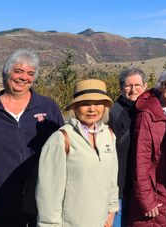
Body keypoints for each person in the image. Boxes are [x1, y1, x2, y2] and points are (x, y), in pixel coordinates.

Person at [0, 49, 64, 227]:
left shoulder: (48, 107)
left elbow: (64, 149)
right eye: (19, 71)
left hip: (44, 201)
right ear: (6, 73)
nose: (24, 77)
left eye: (30, 73)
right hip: (2, 202)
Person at [36, 79, 119, 227]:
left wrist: (111, 210)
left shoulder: (109, 135)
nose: (92, 109)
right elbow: (48, 193)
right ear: (75, 107)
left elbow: (112, 177)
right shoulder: (61, 139)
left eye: (98, 103)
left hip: (102, 221)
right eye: (85, 103)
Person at [127, 68, 166, 227]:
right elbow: (141, 161)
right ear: (160, 86)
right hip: (154, 195)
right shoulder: (146, 114)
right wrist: (146, 200)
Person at [108, 67, 147, 227]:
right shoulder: (112, 114)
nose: (133, 90)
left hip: (139, 190)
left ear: (145, 86)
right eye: (128, 86)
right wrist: (111, 195)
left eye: (137, 85)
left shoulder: (146, 111)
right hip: (118, 191)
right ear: (120, 87)